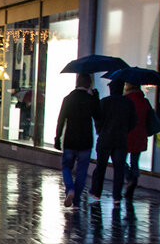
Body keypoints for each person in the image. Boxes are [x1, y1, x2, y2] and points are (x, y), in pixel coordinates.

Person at [53, 73, 101, 207]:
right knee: (82, 171)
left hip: (70, 139)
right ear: (88, 85)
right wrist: (96, 98)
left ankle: (70, 189)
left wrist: (58, 138)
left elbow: (61, 120)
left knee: (66, 167)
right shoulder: (90, 99)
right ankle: (77, 200)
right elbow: (98, 116)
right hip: (85, 141)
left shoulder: (68, 99)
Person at [90, 79, 136, 200]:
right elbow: (133, 122)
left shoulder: (104, 102)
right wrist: (125, 130)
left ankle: (96, 192)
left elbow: (97, 119)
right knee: (119, 169)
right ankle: (116, 197)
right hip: (121, 140)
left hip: (105, 138)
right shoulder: (128, 103)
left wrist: (100, 130)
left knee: (100, 167)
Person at [123, 82, 160, 202]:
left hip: (126, 135)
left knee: (120, 160)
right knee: (135, 161)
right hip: (140, 136)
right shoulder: (145, 102)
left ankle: (129, 177)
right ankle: (133, 182)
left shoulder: (126, 100)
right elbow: (150, 119)